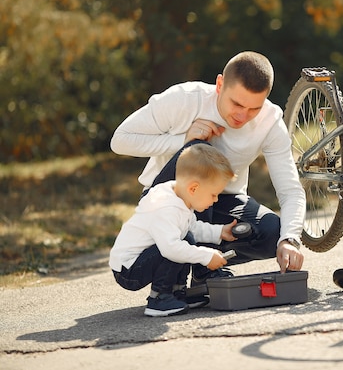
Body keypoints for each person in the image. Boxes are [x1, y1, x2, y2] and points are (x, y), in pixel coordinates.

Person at [110, 51, 305, 285]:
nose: (242, 116)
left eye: (254, 108)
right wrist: (184, 140)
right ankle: (177, 280)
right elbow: (120, 140)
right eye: (237, 103)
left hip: (223, 202)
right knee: (200, 149)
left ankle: (205, 267)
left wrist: (290, 240)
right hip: (170, 200)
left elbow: (290, 189)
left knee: (273, 232)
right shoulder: (185, 99)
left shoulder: (270, 122)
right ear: (220, 84)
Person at [109, 144, 237, 317]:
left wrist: (219, 232)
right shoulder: (165, 207)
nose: (215, 200)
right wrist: (206, 256)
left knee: (187, 238)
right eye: (213, 194)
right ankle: (159, 298)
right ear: (193, 188)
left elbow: (193, 227)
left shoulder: (182, 197)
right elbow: (171, 249)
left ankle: (177, 293)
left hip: (147, 257)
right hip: (129, 270)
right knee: (177, 247)